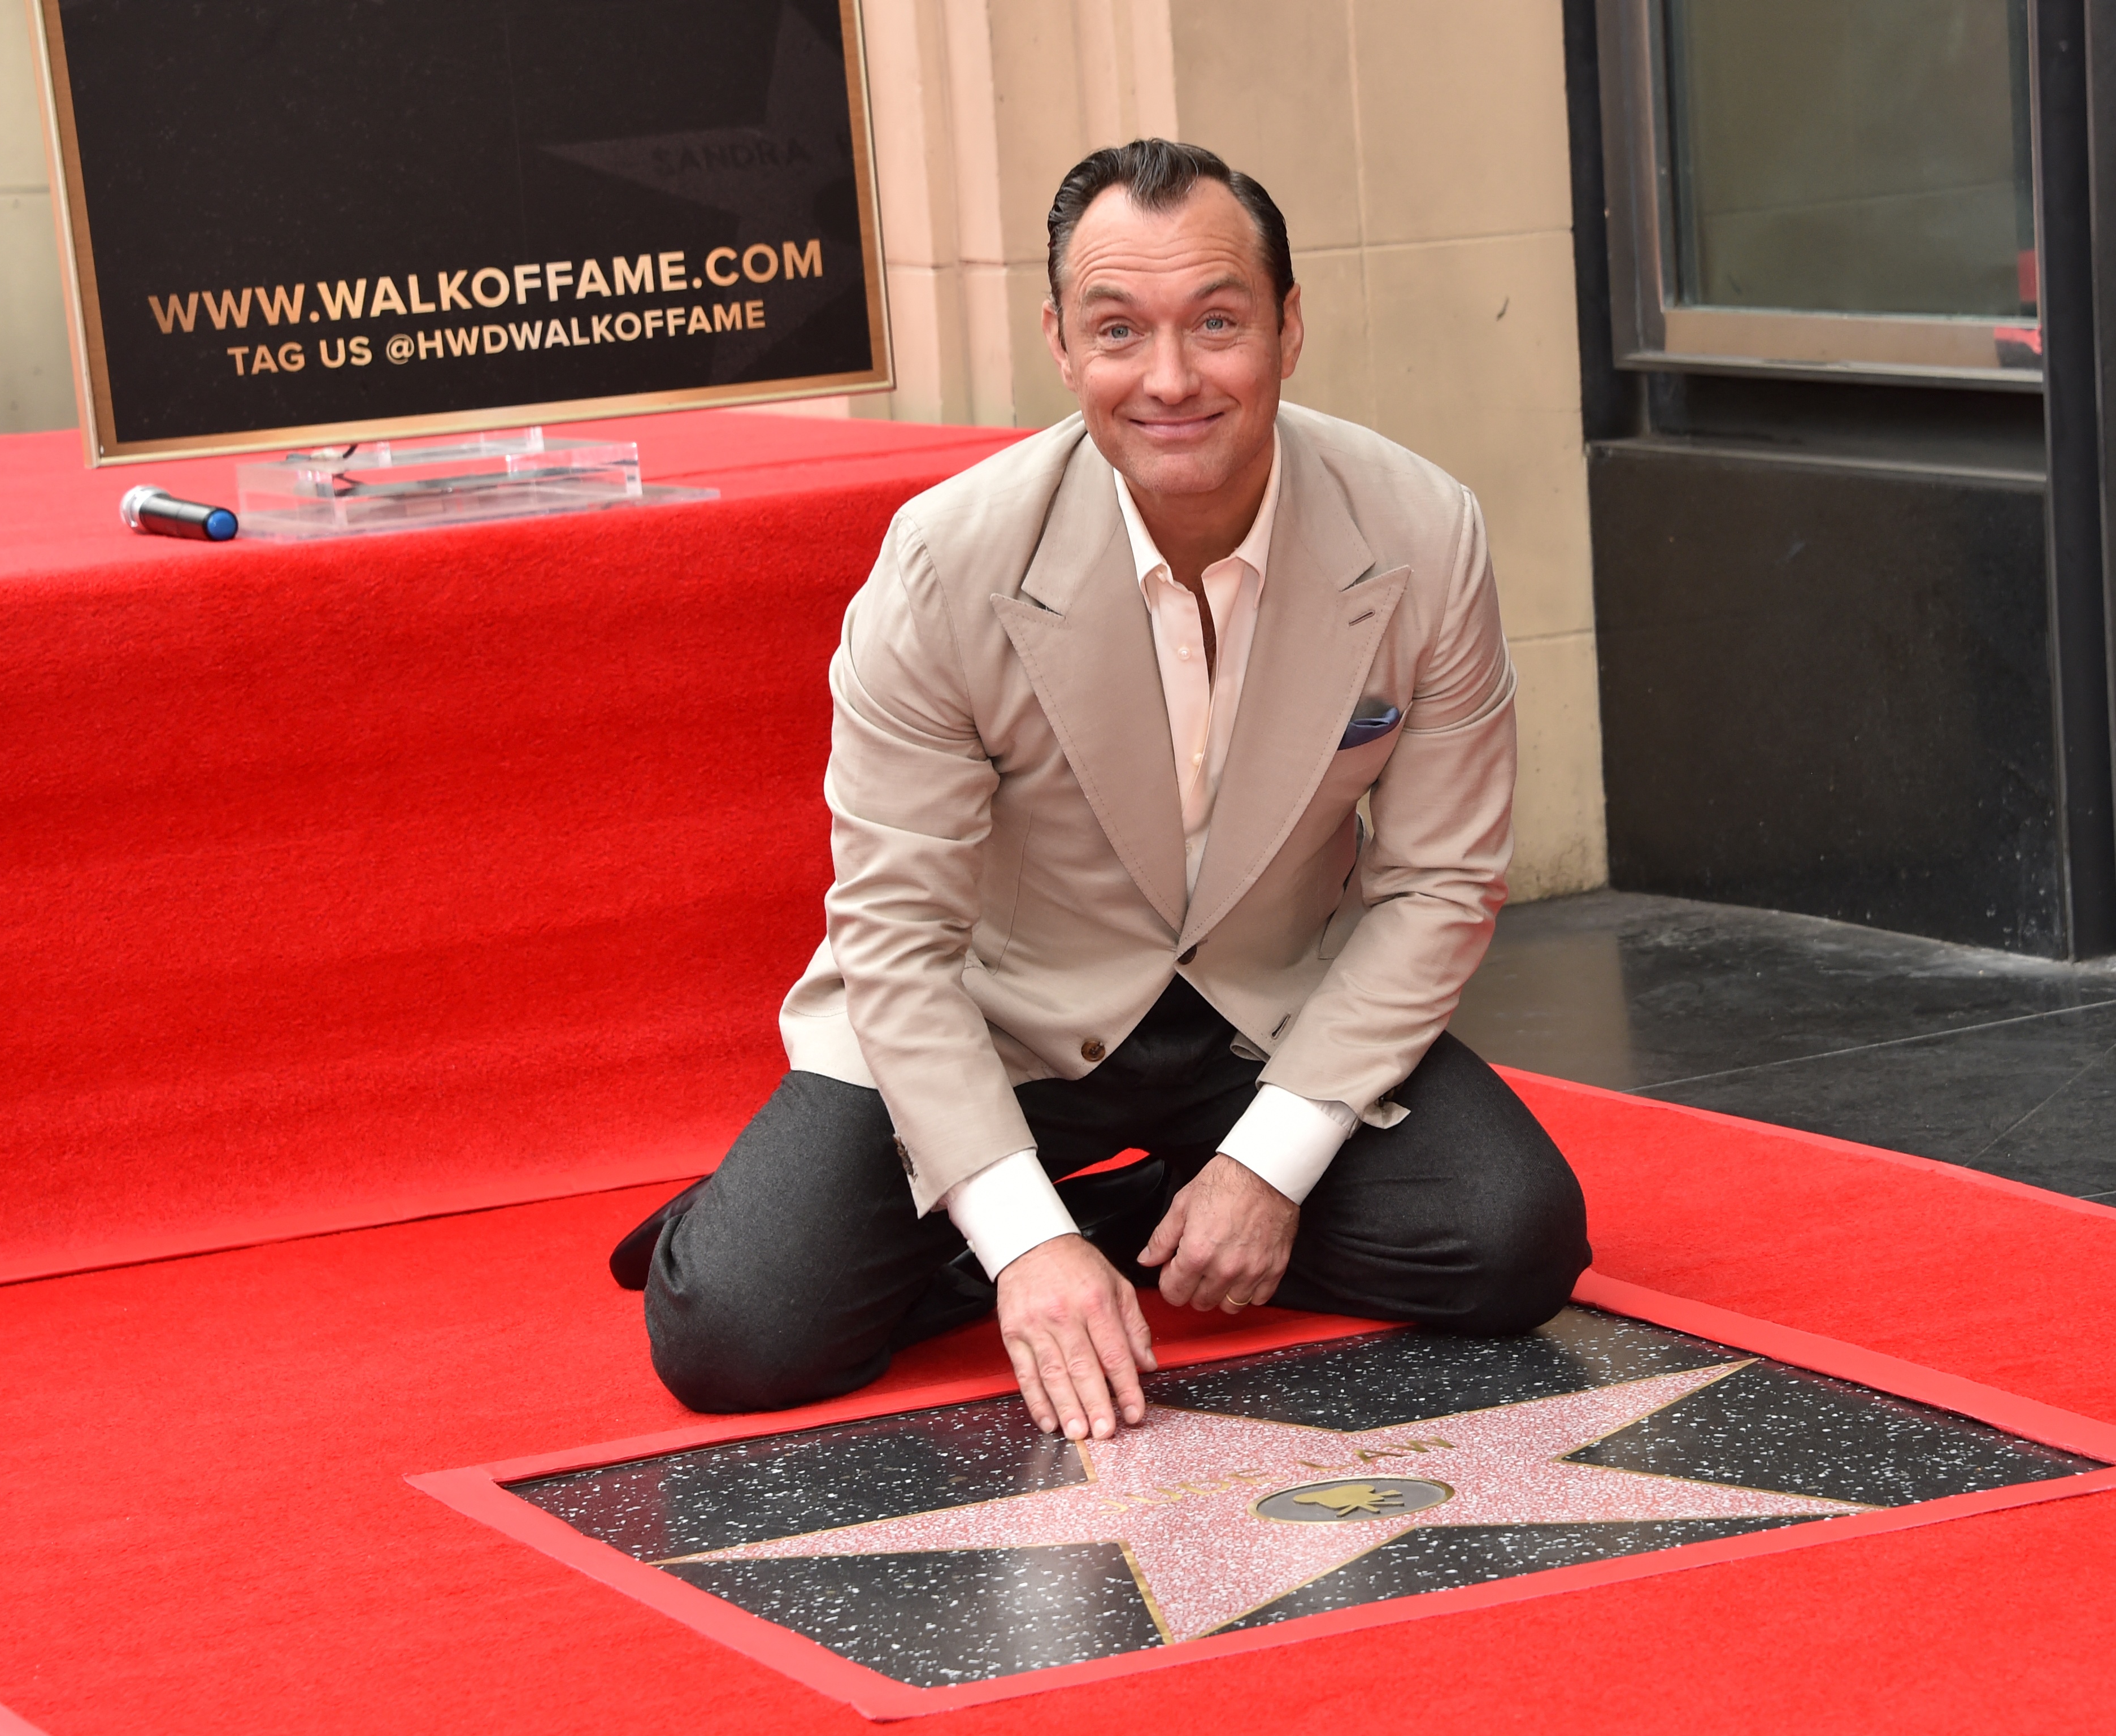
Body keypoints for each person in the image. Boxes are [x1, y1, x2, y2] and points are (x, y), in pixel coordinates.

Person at [613, 139, 1589, 1440]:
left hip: (1260, 1011)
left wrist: (1265, 1167)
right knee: (737, 1329)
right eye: (1118, 329)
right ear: (1060, 346)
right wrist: (1023, 1244)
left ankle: (1141, 1205)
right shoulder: (946, 561)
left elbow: (1438, 881)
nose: (1171, 378)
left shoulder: (1422, 531)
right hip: (994, 1018)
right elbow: (895, 938)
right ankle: (991, 1215)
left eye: (1219, 323)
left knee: (1510, 1243)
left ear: (1289, 329)